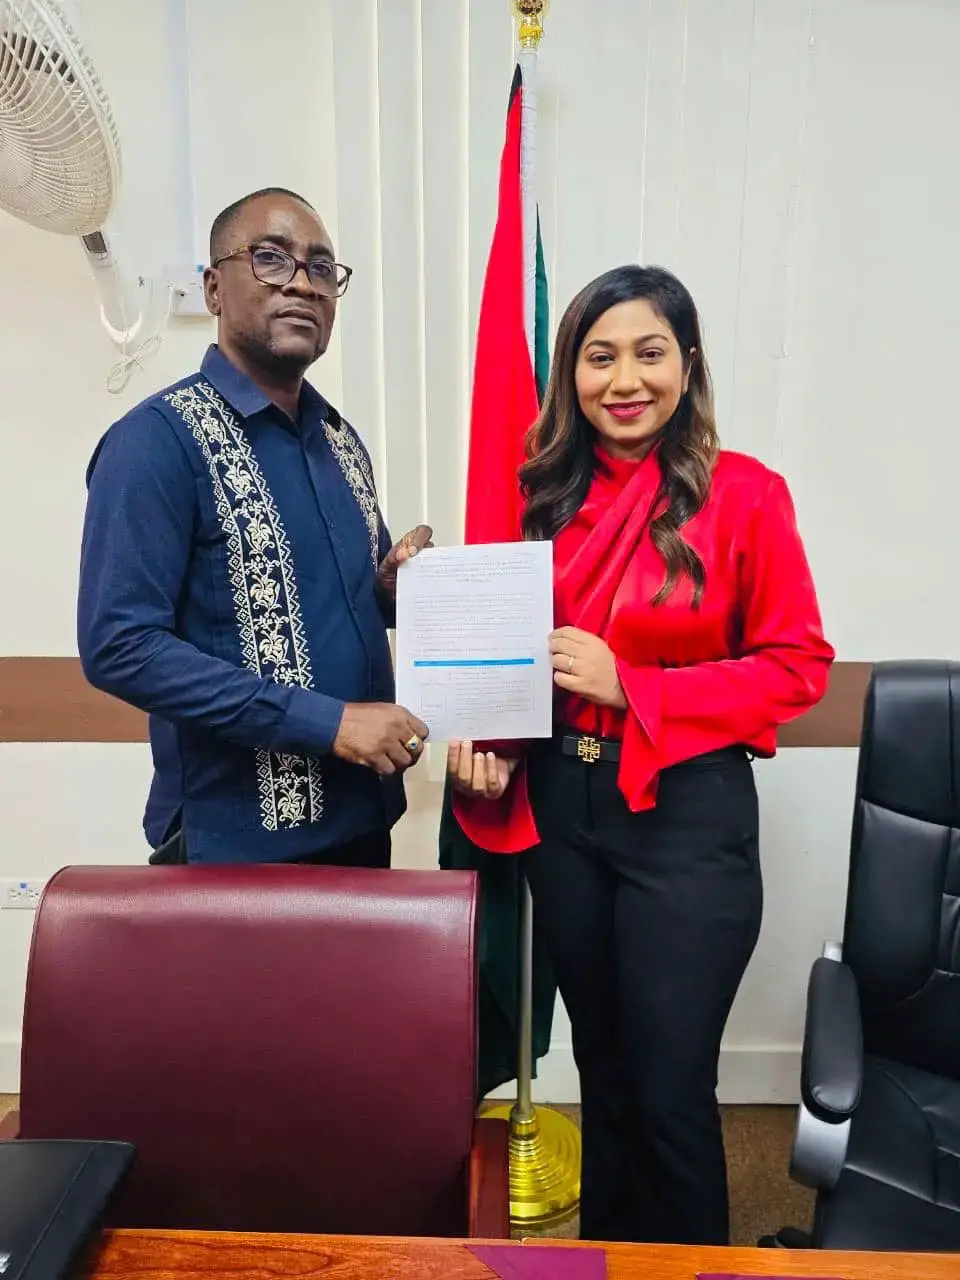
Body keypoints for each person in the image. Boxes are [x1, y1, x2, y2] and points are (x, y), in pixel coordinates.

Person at [447, 264, 834, 1245]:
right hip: (565, 813)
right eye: (600, 354)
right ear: (571, 371)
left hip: (686, 817)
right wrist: (480, 733)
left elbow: (799, 667)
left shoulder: (745, 495)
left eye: (649, 352)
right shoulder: (539, 500)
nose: (625, 378)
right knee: (605, 1071)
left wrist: (638, 686)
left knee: (668, 1087)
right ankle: (610, 1261)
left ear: (687, 362)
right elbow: (506, 656)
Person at [78, 186, 431, 866]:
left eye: (322, 268)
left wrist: (390, 589)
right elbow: (118, 645)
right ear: (214, 289)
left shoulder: (340, 441)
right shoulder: (156, 443)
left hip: (364, 819)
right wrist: (329, 724)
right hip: (236, 848)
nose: (302, 283)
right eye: (271, 259)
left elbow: (338, 601)